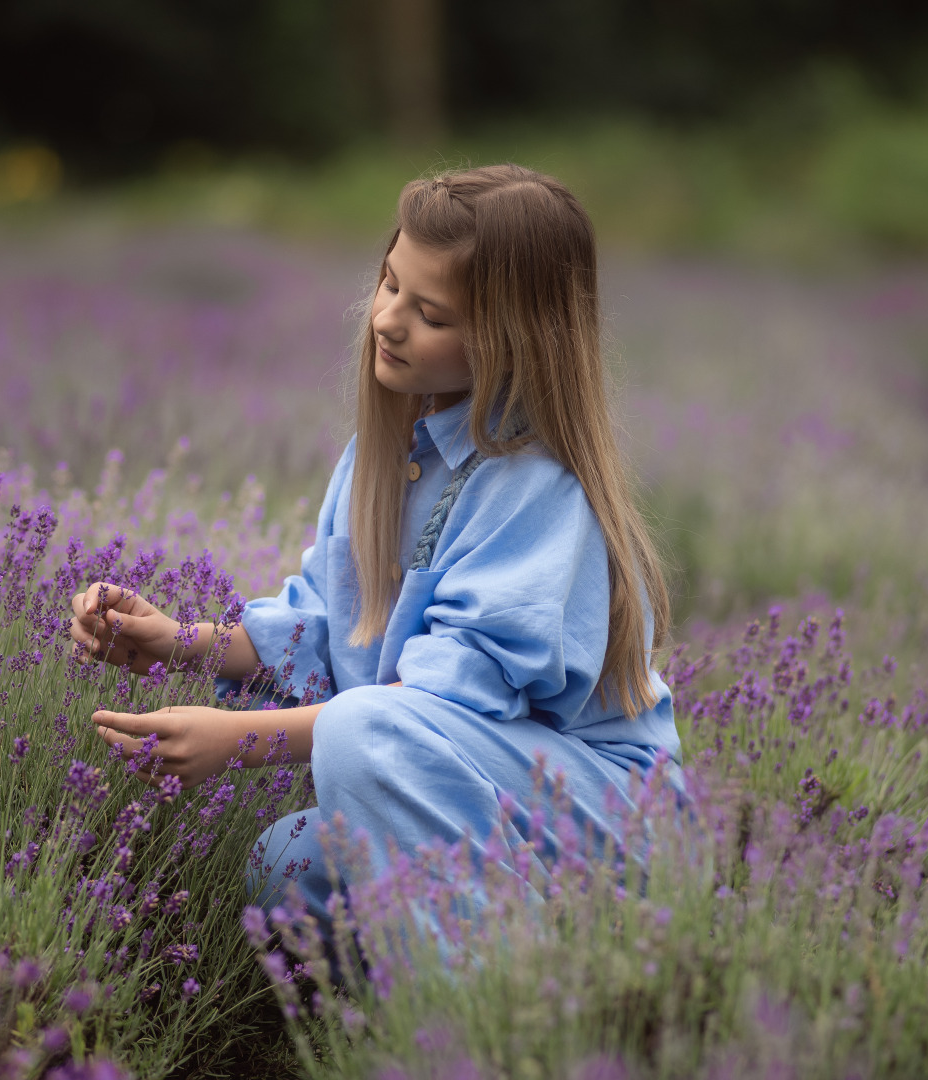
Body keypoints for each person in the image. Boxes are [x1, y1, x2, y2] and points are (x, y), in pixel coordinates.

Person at [69, 163, 682, 924]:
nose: (388, 319)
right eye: (389, 284)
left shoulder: (539, 490)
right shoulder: (383, 457)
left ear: (513, 340)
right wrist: (178, 642)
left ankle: (478, 1021)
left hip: (602, 816)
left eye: (431, 313)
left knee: (365, 732)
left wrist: (240, 739)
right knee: (287, 865)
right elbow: (325, 631)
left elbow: (435, 711)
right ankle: (424, 997)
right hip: (486, 792)